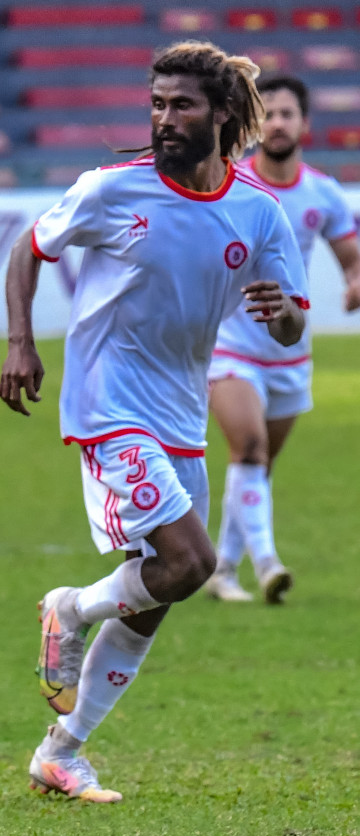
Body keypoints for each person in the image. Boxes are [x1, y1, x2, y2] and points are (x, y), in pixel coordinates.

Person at [0, 42, 308, 803]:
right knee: (192, 562)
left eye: (184, 105)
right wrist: (20, 344)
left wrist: (284, 318)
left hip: (179, 418)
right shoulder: (110, 190)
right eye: (158, 104)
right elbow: (28, 249)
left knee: (164, 590)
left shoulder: (257, 213)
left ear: (225, 114)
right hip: (109, 410)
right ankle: (68, 608)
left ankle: (61, 753)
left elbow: (295, 327)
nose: (166, 119)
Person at [203, 75, 360, 604]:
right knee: (248, 447)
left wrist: (355, 283)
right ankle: (268, 565)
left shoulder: (322, 193)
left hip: (290, 351)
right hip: (231, 343)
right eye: (267, 113)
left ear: (304, 124)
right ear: (254, 125)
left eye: (286, 113)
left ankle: (221, 569)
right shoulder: (232, 186)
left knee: (257, 465)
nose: (276, 122)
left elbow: (351, 257)